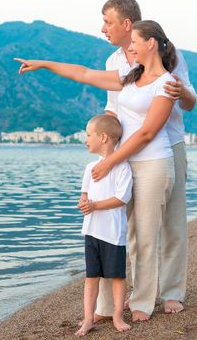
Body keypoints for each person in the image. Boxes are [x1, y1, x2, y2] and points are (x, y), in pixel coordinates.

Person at [14, 19, 184, 322]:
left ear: (151, 44)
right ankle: (107, 307)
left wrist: (109, 160)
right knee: (116, 233)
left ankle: (142, 302)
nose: (129, 47)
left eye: (134, 42)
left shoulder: (166, 83)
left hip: (153, 165)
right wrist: (43, 64)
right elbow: (85, 74)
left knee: (144, 236)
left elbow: (146, 133)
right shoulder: (132, 77)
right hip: (126, 163)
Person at [97, 0, 197, 321]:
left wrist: (180, 91)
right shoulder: (114, 62)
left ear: (127, 25)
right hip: (130, 152)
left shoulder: (168, 53)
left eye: (108, 22)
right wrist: (104, 142)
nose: (103, 29)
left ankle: (171, 293)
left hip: (169, 147)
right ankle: (142, 292)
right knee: (136, 228)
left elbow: (190, 99)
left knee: (171, 225)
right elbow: (114, 108)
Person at [75, 114, 133, 337]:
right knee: (91, 277)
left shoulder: (122, 168)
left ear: (104, 137)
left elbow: (122, 199)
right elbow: (84, 196)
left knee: (117, 277)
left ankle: (117, 315)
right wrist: (84, 203)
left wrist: (95, 205)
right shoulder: (90, 167)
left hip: (113, 233)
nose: (86, 139)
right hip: (91, 231)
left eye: (89, 135)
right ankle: (88, 318)